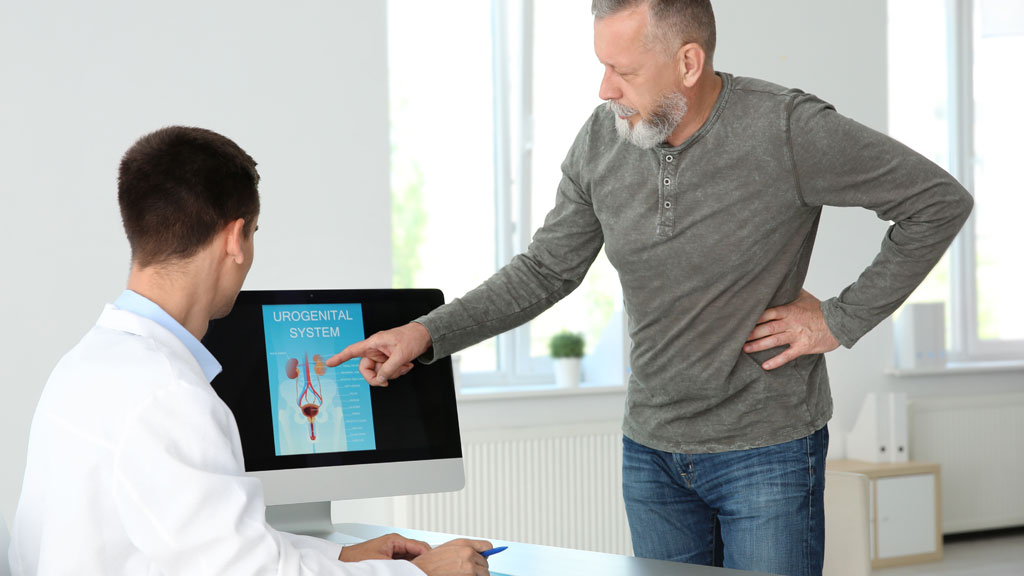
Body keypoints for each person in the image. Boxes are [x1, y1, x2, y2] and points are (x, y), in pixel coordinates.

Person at [327, 1, 973, 574]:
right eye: (602, 65)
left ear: (688, 63)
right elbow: (546, 269)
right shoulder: (601, 141)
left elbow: (936, 202)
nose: (605, 87)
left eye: (624, 70)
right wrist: (423, 333)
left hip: (767, 452)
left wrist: (839, 318)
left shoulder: (785, 129)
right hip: (653, 456)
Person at [9, 126, 492, 576]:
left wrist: (343, 554)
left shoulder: (86, 364)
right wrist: (419, 571)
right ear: (236, 238)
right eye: (254, 234)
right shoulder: (168, 395)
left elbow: (222, 547)